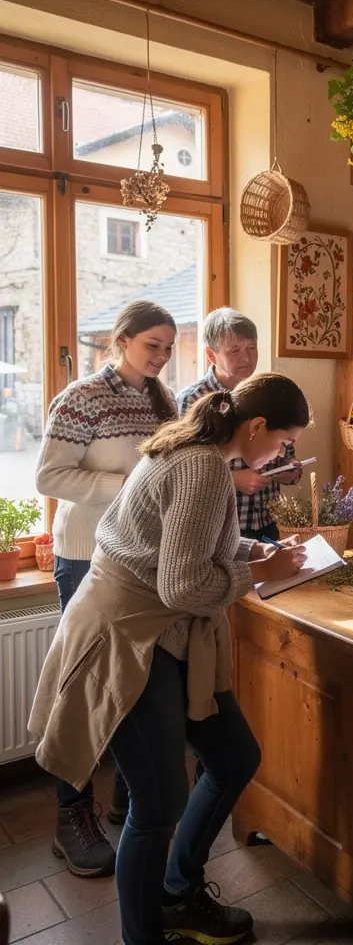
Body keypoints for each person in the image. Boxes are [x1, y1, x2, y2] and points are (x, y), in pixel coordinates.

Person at [29, 373, 310, 945]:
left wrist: (257, 550)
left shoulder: (202, 454)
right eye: (283, 442)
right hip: (128, 633)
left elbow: (186, 542)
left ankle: (178, 892)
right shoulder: (203, 465)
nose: (282, 454)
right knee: (158, 803)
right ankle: (145, 933)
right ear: (255, 427)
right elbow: (183, 585)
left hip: (158, 628)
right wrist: (260, 574)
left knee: (232, 758)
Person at [35, 300, 178, 877]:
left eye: (168, 347)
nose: (163, 357)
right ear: (121, 341)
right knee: (86, 688)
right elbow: (48, 476)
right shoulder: (81, 398)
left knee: (134, 683)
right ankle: (72, 818)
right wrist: (127, 487)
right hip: (86, 555)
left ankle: (129, 797)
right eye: (153, 346)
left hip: (140, 561)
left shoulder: (159, 400)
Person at [177, 308, 302, 539]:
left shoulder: (268, 392)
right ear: (212, 355)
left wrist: (291, 471)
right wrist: (232, 479)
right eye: (234, 351)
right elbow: (184, 469)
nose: (246, 358)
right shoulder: (193, 399)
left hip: (266, 519)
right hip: (218, 523)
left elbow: (288, 452)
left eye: (252, 348)